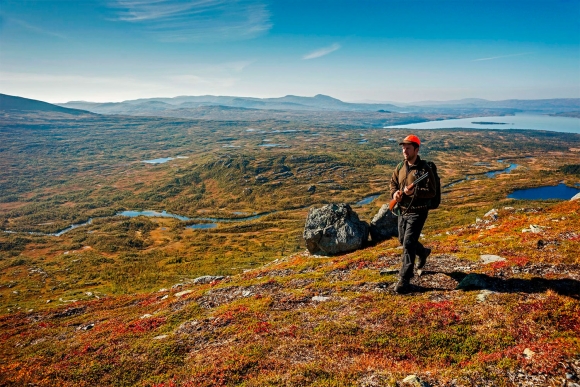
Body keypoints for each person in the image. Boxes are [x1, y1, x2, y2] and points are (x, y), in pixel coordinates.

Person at [389, 134, 436, 294]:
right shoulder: (400, 167)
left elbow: (431, 191)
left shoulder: (425, 169)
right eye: (403, 147)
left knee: (408, 243)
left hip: (418, 212)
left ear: (416, 149)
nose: (404, 150)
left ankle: (405, 280)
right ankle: (423, 252)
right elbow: (393, 184)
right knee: (403, 240)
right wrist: (395, 193)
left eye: (408, 148)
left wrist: (415, 191)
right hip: (403, 211)